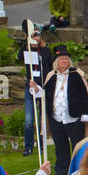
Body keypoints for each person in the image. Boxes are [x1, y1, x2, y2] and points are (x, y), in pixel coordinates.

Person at [44, 45, 88, 175]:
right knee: (60, 145)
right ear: (56, 62)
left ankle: (79, 169)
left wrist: (86, 114)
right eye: (61, 59)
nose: (64, 61)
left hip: (74, 116)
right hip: (56, 117)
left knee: (77, 144)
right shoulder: (51, 76)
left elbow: (84, 95)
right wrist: (35, 89)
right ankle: (62, 170)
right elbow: (44, 94)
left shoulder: (76, 74)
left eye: (66, 59)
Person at [18, 26, 53, 156]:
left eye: (38, 35)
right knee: (29, 119)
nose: (36, 38)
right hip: (31, 87)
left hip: (43, 87)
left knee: (42, 119)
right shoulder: (27, 50)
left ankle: (41, 145)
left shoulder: (45, 51)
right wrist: (26, 40)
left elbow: (50, 67)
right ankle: (28, 146)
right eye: (34, 36)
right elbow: (19, 56)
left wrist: (47, 84)